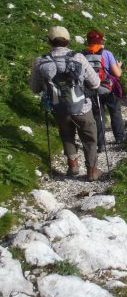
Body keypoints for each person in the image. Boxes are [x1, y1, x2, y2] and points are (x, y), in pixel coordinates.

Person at [29, 26, 103, 181]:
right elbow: (96, 83)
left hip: (59, 108)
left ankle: (73, 165)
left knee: (66, 134)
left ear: (49, 41)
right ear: (68, 41)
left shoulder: (41, 61)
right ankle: (92, 171)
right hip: (82, 106)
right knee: (89, 137)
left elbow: (34, 88)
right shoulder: (78, 58)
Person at [82, 29, 125, 151]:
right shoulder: (106, 53)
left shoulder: (82, 54)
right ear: (100, 40)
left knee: (98, 115)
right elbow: (117, 74)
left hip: (91, 89)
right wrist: (119, 67)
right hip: (107, 88)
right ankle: (119, 137)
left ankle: (101, 144)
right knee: (115, 110)